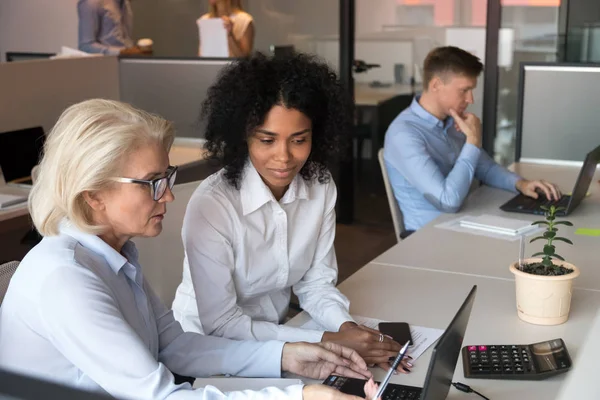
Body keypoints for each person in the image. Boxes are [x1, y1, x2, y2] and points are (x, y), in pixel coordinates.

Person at [0, 99, 378, 400]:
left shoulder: (114, 254)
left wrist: (287, 356)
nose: (167, 195)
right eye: (151, 182)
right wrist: (300, 396)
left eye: (167, 177)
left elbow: (174, 344)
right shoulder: (66, 278)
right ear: (94, 195)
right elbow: (159, 395)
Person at [172, 53, 412, 374]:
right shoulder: (213, 205)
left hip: (283, 335)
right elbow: (223, 323)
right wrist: (326, 339)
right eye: (267, 140)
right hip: (212, 351)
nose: (284, 157)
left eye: (299, 140)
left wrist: (346, 327)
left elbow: (316, 284)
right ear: (243, 136)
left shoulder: (320, 186)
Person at [383, 46, 561, 235]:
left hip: (463, 222)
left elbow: (486, 168)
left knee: (538, 232)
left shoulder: (452, 121)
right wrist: (472, 141)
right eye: (464, 90)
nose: (470, 99)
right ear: (436, 85)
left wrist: (521, 184)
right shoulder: (404, 135)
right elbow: (448, 201)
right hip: (429, 237)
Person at [77, 0, 148, 55]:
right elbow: (85, 46)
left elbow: (124, 39)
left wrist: (134, 51)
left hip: (125, 65)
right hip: (104, 67)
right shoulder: (91, 2)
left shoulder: (125, 3)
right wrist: (122, 52)